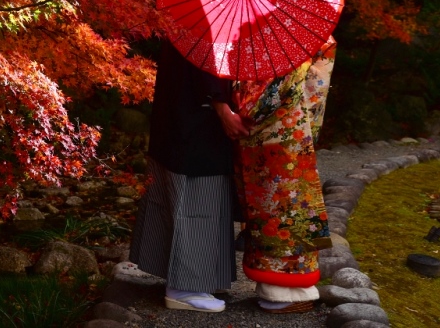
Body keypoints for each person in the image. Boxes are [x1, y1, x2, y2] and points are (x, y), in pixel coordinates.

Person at [129, 41, 249, 312]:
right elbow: (207, 64)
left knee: (179, 195)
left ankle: (185, 278)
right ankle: (185, 287)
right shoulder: (207, 15)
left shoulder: (186, 15)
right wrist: (223, 109)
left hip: (179, 115)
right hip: (197, 122)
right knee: (197, 201)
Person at [233, 36, 337, 313]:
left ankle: (282, 293)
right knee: (288, 211)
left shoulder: (264, 35)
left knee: (274, 212)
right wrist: (310, 129)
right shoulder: (312, 37)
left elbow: (253, 100)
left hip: (263, 136)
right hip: (294, 133)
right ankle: (284, 293)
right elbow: (316, 93)